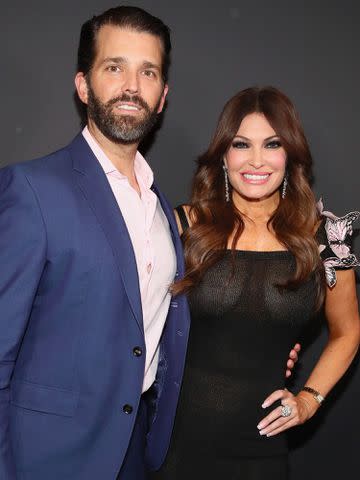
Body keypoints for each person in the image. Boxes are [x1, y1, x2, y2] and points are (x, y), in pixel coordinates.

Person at [0, 7, 299, 479]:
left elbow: (172, 320)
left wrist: (263, 341)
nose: (132, 86)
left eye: (148, 72)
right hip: (48, 458)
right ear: (83, 85)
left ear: (162, 97)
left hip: (143, 451)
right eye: (114, 67)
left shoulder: (167, 213)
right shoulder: (33, 189)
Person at [151, 86, 360, 479]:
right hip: (178, 446)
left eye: (272, 144)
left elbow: (347, 332)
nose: (257, 160)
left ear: (291, 154)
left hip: (262, 449)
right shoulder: (185, 226)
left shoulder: (325, 239)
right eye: (241, 144)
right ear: (223, 156)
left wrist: (309, 401)